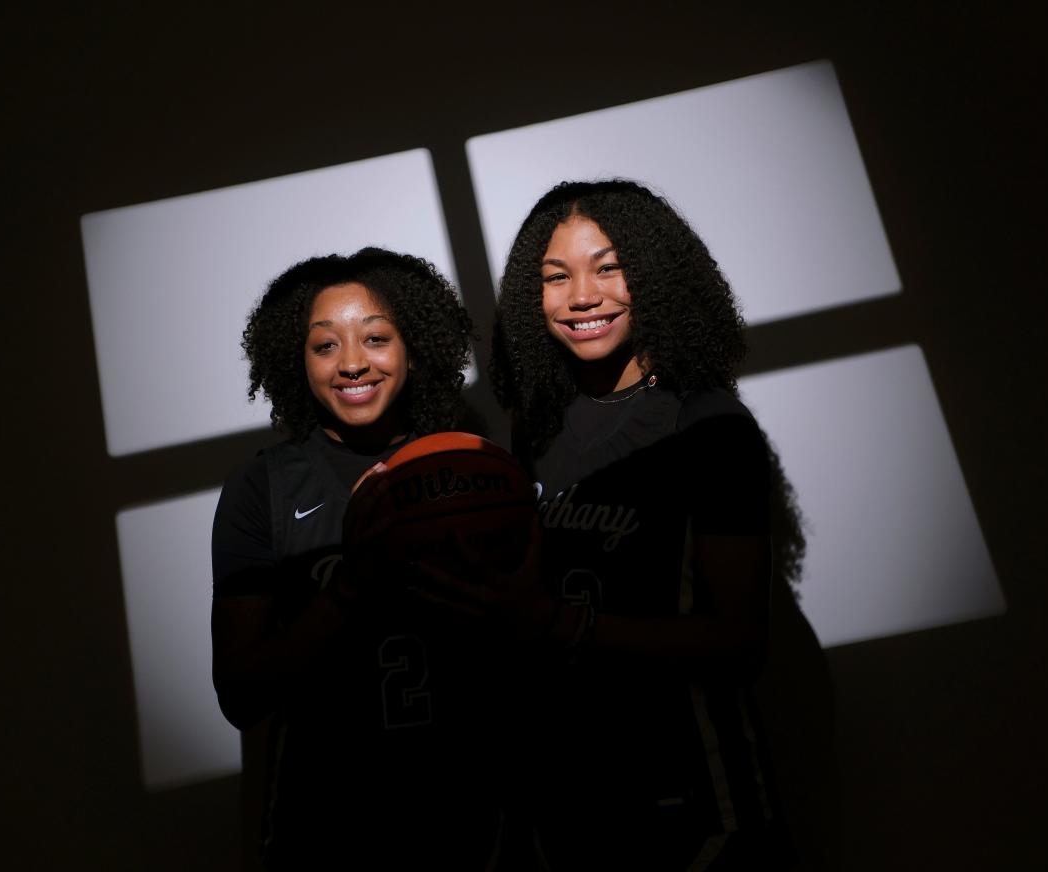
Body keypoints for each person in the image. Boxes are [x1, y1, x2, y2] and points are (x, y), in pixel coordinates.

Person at [489, 179, 797, 870]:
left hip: (695, 798)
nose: (582, 296)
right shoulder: (536, 427)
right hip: (573, 798)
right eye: (555, 276)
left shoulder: (706, 426)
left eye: (608, 267)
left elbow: (740, 641)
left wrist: (563, 624)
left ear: (653, 276)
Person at [209, 248, 503, 869]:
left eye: (375, 338)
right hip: (325, 822)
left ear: (414, 347)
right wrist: (352, 586)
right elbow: (240, 693)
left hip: (473, 814)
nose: (351, 364)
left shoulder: (473, 468)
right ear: (297, 361)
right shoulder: (264, 487)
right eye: (324, 346)